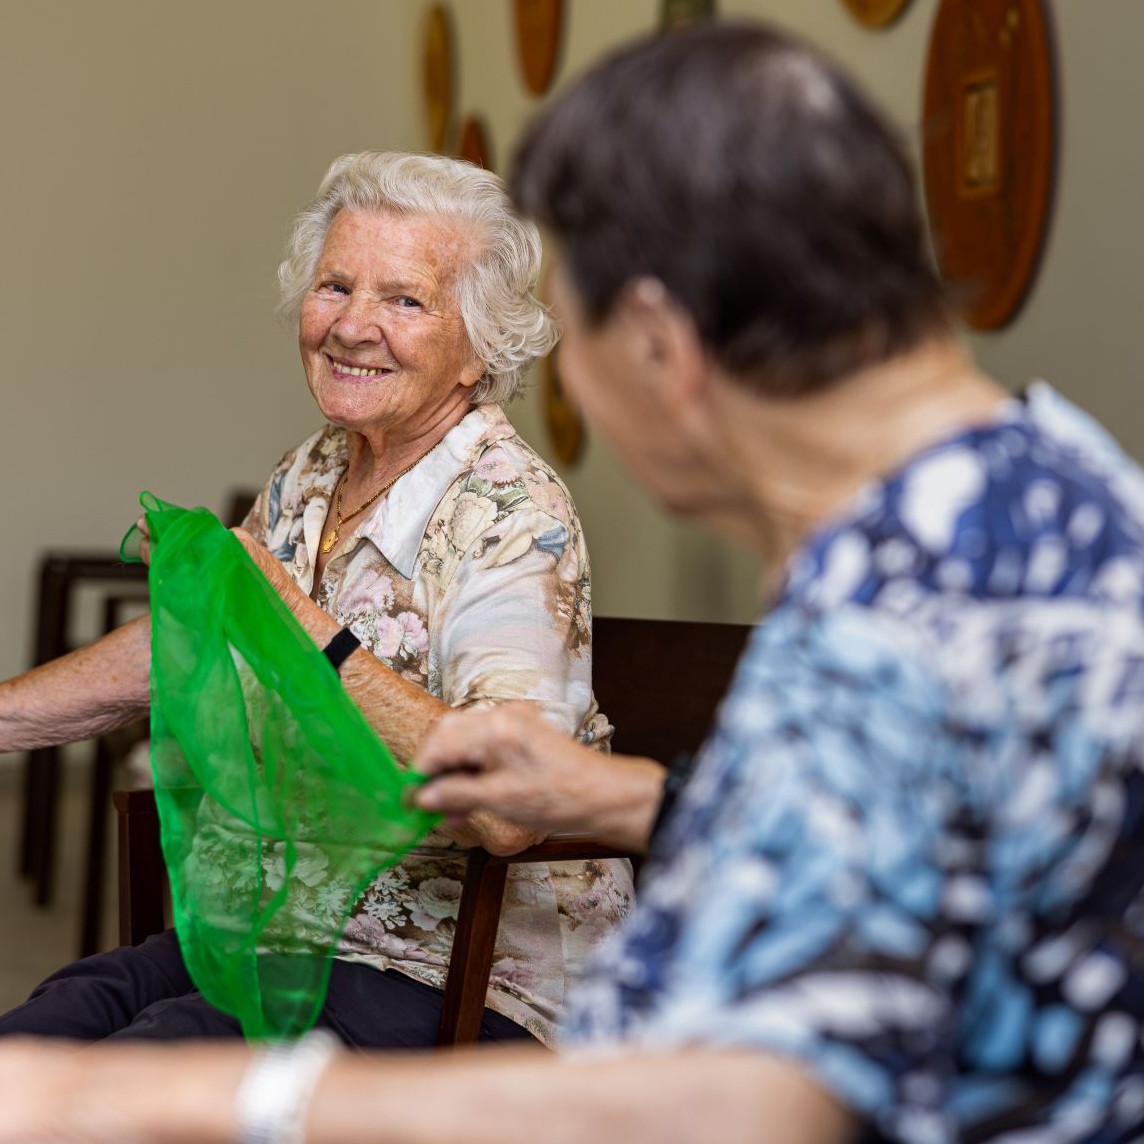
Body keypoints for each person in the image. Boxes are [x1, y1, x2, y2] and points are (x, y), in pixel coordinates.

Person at [4, 18, 1144, 1144]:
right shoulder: (1006, 514)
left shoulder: (935, 595)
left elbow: (749, 1104)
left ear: (657, 341)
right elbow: (889, 865)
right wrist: (615, 795)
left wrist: (168, 1105)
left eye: (573, 349)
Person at [0, 151, 631, 1049]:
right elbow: (192, 646)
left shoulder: (513, 516)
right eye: (335, 287)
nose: (352, 327)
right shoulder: (313, 471)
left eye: (404, 300)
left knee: (131, 1072)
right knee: (45, 1032)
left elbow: (508, 812)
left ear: (479, 347)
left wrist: (311, 634)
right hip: (285, 931)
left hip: (458, 974)